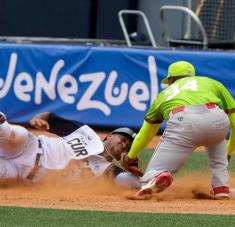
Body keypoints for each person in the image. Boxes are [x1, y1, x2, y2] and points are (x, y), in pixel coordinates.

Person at [121, 60, 235, 199]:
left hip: (184, 121)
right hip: (217, 118)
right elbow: (234, 121)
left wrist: (130, 156)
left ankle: (157, 175)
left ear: (171, 79)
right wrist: (228, 152)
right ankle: (221, 187)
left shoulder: (163, 95)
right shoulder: (210, 82)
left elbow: (146, 133)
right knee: (217, 143)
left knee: (153, 172)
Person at [0, 111, 141, 188]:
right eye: (123, 139)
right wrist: (37, 119)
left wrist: (132, 170)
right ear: (110, 135)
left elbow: (136, 184)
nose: (124, 144)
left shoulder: (108, 171)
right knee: (9, 132)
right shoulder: (86, 133)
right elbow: (49, 117)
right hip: (29, 147)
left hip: (20, 176)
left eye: (129, 146)